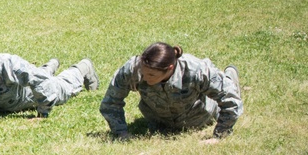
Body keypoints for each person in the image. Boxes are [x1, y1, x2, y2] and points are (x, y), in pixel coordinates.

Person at [100, 43, 242, 142]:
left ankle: (230, 77)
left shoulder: (196, 70)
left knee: (227, 87)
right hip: (159, 122)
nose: (144, 77)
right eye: (143, 72)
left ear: (170, 68)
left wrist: (220, 135)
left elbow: (231, 101)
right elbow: (111, 102)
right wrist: (121, 133)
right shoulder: (134, 69)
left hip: (200, 118)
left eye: (151, 75)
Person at [0, 52, 99, 117]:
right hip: (23, 83)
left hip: (29, 95)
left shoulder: (9, 66)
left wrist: (42, 113)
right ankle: (49, 67)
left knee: (60, 89)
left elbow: (39, 82)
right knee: (35, 74)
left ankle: (82, 68)